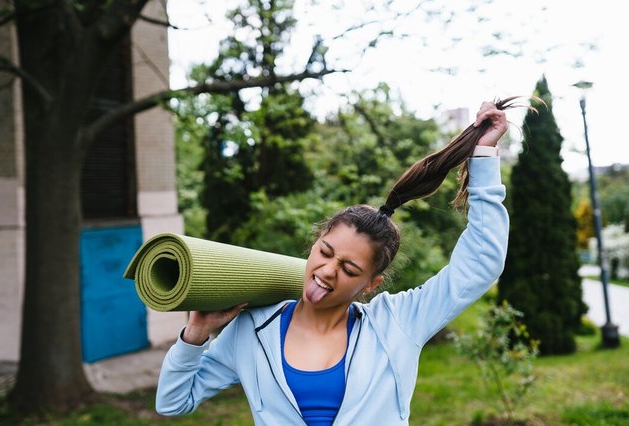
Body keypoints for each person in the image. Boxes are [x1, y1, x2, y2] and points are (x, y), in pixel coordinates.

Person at [156, 100, 513, 425]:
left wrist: (482, 157)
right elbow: (173, 403)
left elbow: (480, 265)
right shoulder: (252, 329)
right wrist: (196, 334)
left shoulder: (398, 324)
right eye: (325, 252)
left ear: (371, 284)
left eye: (349, 269)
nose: (327, 270)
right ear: (314, 244)